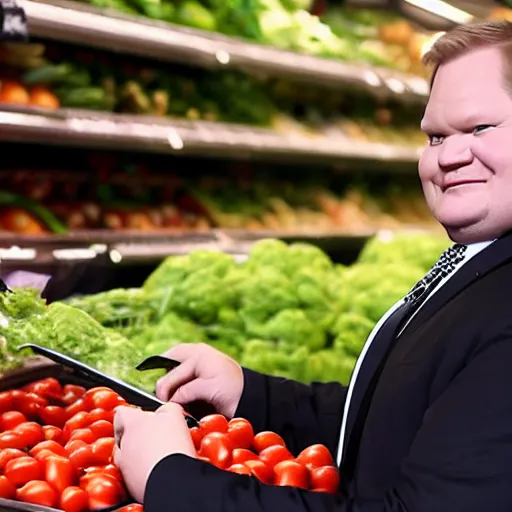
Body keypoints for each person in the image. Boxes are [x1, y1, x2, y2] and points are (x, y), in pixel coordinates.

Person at [113, 19, 512, 511]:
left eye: (479, 128)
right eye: (433, 137)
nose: (448, 156)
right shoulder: (485, 264)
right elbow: (404, 417)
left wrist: (170, 480)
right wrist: (251, 395)